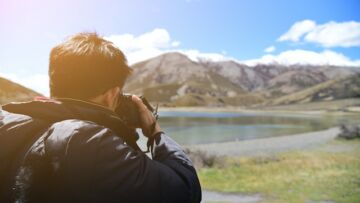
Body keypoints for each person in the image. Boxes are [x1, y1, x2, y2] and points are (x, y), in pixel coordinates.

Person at [0, 33, 202, 203]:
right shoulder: (86, 140)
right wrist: (155, 132)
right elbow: (185, 191)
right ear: (111, 95)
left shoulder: (9, 120)